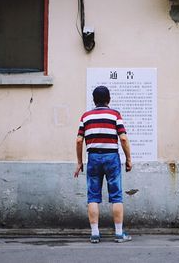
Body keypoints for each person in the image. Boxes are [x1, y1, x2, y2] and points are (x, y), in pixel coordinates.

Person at [74, 85, 132, 243]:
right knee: (116, 196)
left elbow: (79, 140)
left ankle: (94, 234)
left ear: (94, 100)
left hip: (93, 158)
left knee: (93, 196)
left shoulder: (85, 117)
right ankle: (119, 234)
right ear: (109, 99)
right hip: (111, 157)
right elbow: (124, 138)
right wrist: (129, 159)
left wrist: (80, 162)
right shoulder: (115, 115)